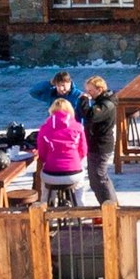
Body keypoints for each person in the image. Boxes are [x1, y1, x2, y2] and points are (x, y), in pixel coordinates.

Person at [32, 98, 90, 203]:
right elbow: (83, 151)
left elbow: (42, 154)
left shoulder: (44, 128)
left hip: (51, 174)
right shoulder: (78, 127)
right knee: (79, 187)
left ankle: (47, 206)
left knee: (46, 188)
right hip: (73, 173)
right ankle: (80, 208)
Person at [77, 76, 120, 204]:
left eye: (90, 90)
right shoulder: (101, 101)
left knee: (99, 177)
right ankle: (107, 206)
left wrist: (84, 101)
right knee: (96, 178)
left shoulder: (106, 104)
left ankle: (110, 207)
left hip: (101, 145)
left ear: (99, 89)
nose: (88, 93)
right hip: (95, 144)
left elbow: (91, 116)